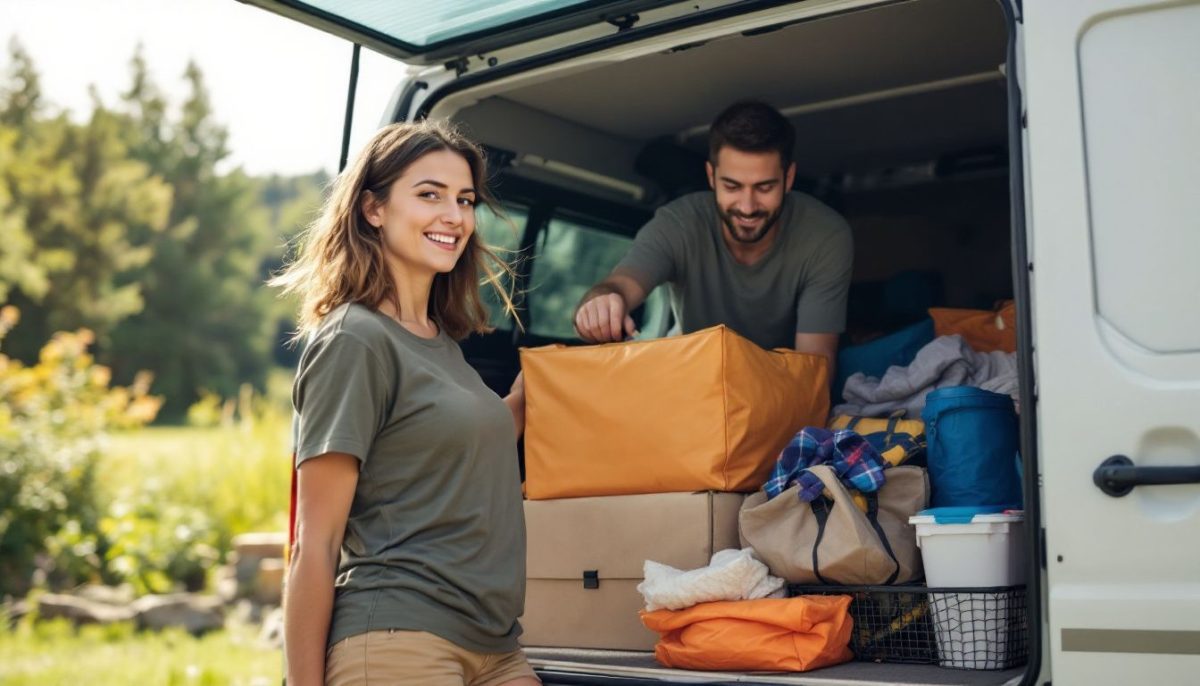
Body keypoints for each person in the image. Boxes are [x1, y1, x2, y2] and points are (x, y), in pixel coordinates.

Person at [271, 121, 539, 686]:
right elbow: (314, 544)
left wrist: (522, 401)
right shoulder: (355, 339)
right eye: (429, 195)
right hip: (399, 639)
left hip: (495, 646)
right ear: (373, 209)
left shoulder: (441, 342)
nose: (454, 216)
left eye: (464, 200)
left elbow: (449, 452)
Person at [574, 101, 853, 368]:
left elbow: (814, 368)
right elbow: (622, 285)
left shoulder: (825, 236)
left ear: (789, 178)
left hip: (778, 387)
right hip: (691, 377)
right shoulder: (677, 224)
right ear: (711, 176)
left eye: (764, 188)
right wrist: (602, 303)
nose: (747, 207)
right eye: (732, 186)